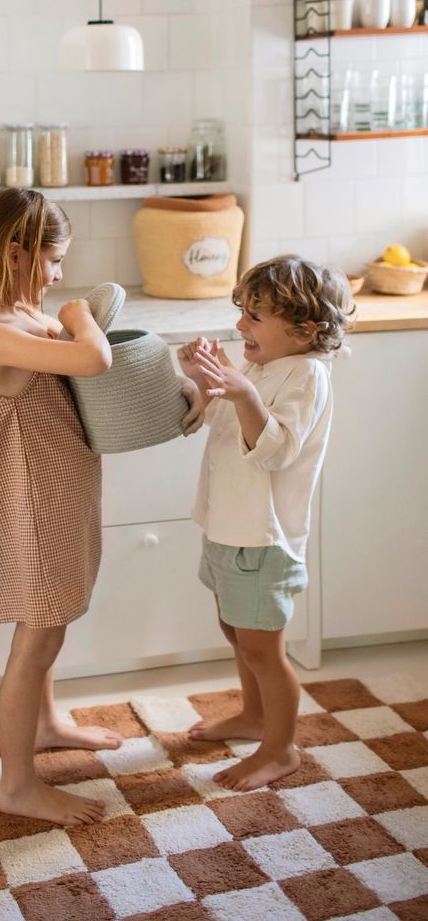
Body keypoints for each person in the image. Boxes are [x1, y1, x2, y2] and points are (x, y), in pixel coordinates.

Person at [0, 187, 118, 828]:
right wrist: (80, 314)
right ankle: (17, 785)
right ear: (16, 253)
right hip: (31, 507)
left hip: (55, 495)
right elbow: (93, 358)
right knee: (40, 632)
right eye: (53, 261)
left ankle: (45, 724)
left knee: (50, 624)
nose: (58, 275)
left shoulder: (18, 321)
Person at [178, 255, 353, 791]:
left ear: (304, 328)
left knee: (262, 648)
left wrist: (245, 392)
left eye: (254, 317)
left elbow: (275, 451)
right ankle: (254, 717)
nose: (239, 326)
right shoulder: (262, 366)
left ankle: (280, 749)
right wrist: (203, 382)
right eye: (243, 313)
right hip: (229, 526)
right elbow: (210, 422)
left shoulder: (305, 374)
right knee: (236, 632)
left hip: (262, 537)